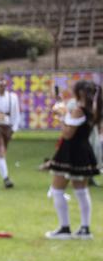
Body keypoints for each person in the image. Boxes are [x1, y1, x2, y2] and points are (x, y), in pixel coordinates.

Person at [44, 80, 101, 240]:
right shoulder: (92, 109)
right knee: (81, 191)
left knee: (57, 190)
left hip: (71, 152)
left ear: (80, 93)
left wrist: (61, 118)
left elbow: (68, 134)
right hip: (83, 151)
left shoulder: (78, 110)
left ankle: (64, 228)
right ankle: (85, 228)